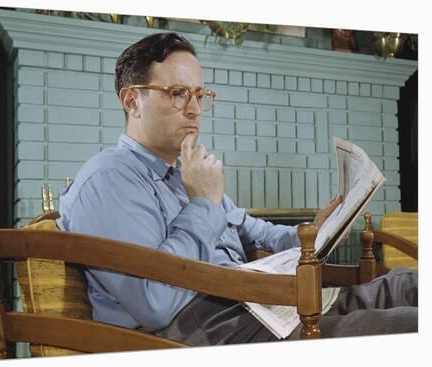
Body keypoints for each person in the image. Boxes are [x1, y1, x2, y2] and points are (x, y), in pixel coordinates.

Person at [57, 32, 417, 345]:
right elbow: (156, 304)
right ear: (132, 101)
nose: (195, 109)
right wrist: (205, 205)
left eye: (199, 94)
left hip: (254, 304)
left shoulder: (187, 172)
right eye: (178, 93)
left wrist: (313, 233)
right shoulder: (109, 179)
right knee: (406, 325)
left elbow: (257, 233)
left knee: (406, 285)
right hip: (199, 329)